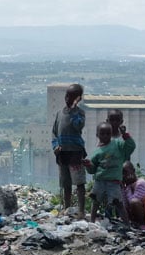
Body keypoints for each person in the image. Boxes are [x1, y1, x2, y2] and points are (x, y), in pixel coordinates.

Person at [84, 122, 136, 223]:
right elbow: (92, 170)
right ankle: (92, 222)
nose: (105, 136)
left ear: (111, 134)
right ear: (97, 135)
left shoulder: (117, 144)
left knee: (118, 203)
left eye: (108, 134)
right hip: (99, 181)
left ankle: (126, 224)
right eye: (102, 134)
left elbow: (130, 147)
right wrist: (88, 165)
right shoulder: (97, 152)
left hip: (114, 182)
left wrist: (125, 135)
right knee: (95, 202)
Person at [52, 83, 87, 219]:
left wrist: (73, 109)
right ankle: (67, 208)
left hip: (75, 152)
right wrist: (55, 146)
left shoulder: (80, 113)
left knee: (79, 183)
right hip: (63, 153)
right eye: (67, 96)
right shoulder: (59, 113)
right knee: (65, 183)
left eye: (72, 97)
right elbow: (54, 132)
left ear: (78, 99)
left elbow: (78, 126)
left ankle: (81, 211)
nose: (68, 99)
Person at [122, 161, 145, 230]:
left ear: (133, 171)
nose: (125, 176)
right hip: (134, 215)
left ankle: (142, 224)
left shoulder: (140, 183)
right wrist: (122, 189)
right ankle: (133, 223)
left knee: (134, 202)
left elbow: (132, 202)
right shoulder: (129, 185)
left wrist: (127, 189)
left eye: (126, 172)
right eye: (122, 174)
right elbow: (125, 204)